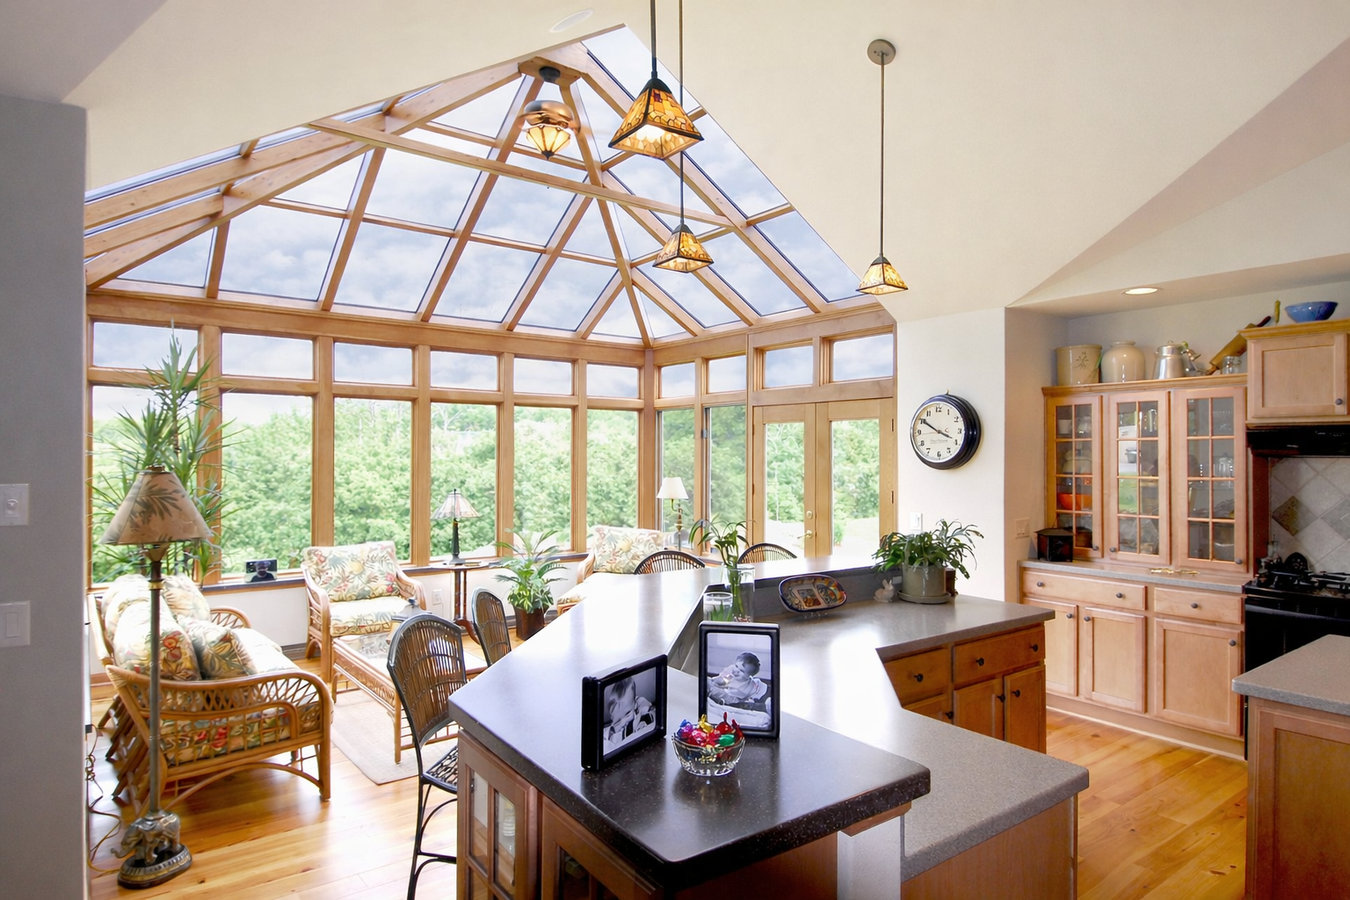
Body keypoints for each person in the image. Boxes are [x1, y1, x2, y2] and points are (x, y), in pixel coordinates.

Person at [602, 675, 656, 751]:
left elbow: (652, 711)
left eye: (627, 714)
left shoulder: (640, 710)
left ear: (635, 705)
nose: (624, 722)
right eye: (618, 721)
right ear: (612, 719)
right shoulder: (613, 734)